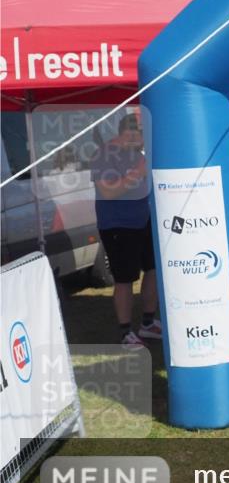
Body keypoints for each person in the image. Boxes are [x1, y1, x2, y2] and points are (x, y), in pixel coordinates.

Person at [90, 113, 161, 351]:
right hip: (118, 224)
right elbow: (108, 192)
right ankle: (125, 332)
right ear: (130, 133)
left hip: (144, 219)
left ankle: (148, 323)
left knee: (153, 269)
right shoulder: (103, 155)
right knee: (125, 278)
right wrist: (137, 174)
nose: (145, 141)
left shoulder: (137, 154)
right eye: (142, 135)